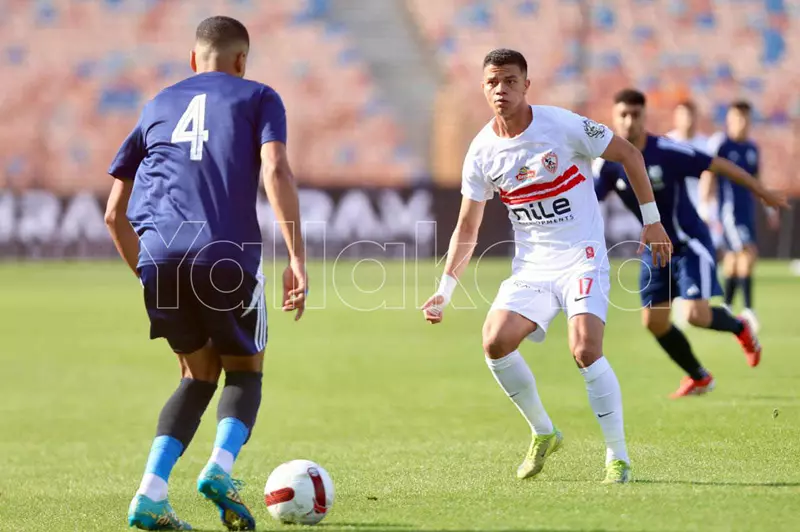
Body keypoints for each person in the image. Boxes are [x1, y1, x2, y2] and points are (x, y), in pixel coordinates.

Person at [421, 49, 673, 485]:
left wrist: (652, 222)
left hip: (582, 256)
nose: (501, 90)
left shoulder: (561, 125)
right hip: (533, 266)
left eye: (511, 81)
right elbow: (467, 225)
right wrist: (446, 287)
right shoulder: (481, 151)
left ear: (526, 84)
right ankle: (544, 431)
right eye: (493, 82)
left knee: (584, 349)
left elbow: (630, 153)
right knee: (495, 342)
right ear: (484, 87)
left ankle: (617, 456)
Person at [105, 16, 306, 531]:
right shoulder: (259, 96)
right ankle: (219, 470)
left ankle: (150, 496)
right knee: (243, 370)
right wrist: (297, 257)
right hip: (224, 255)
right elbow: (276, 169)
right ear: (241, 61)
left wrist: (151, 273)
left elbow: (113, 213)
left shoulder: (157, 104)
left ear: (193, 59)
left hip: (160, 257)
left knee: (196, 374)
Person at [594, 89, 786, 398]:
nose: (629, 121)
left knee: (696, 315)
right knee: (654, 322)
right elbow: (591, 198)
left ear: (645, 117)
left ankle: (740, 327)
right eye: (623, 115)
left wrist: (760, 190)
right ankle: (699, 377)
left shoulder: (666, 151)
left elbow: (716, 164)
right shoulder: (609, 164)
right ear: (614, 119)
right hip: (655, 250)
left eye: (635, 115)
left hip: (688, 243)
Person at [704, 101, 779, 333]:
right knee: (749, 253)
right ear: (729, 120)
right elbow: (709, 174)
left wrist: (768, 207)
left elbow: (757, 181)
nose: (742, 123)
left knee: (734, 261)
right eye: (737, 118)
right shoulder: (722, 145)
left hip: (747, 211)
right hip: (729, 212)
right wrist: (706, 207)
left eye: (746, 118)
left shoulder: (753, 148)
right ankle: (748, 309)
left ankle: (726, 306)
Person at [666, 100, 723, 247]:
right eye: (684, 115)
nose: (688, 119)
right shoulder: (668, 142)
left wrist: (706, 204)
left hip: (701, 201)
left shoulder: (705, 144)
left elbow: (710, 175)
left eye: (691, 115)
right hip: (674, 203)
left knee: (710, 245)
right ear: (676, 117)